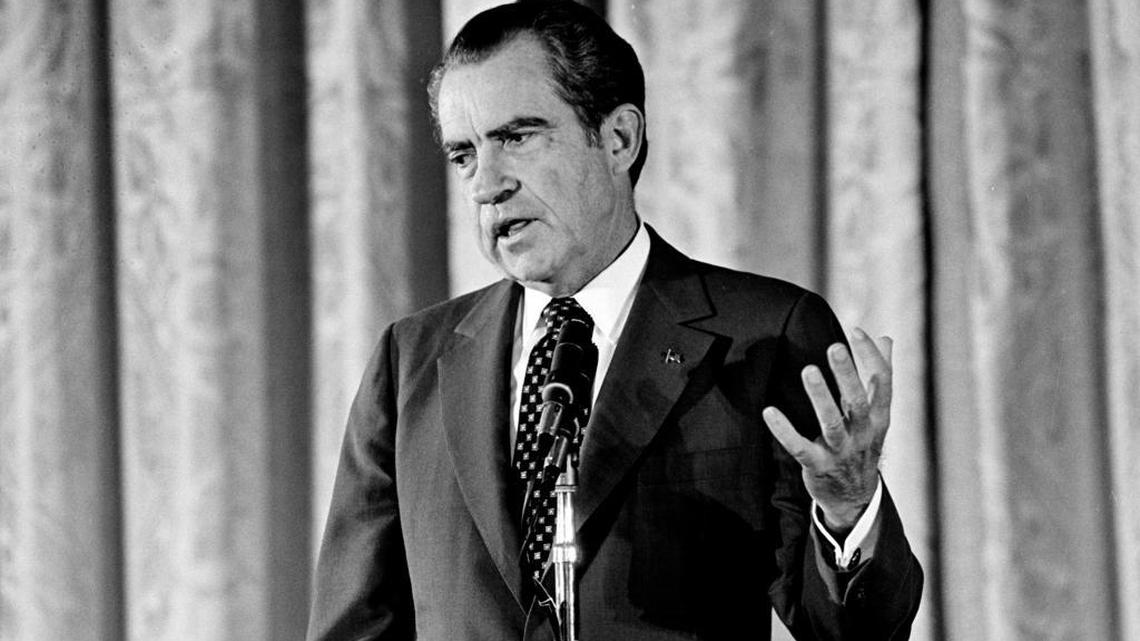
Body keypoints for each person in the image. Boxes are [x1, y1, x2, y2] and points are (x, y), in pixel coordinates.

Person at [306, 2, 923, 640]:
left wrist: (849, 508)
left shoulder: (768, 334)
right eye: (464, 154)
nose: (486, 185)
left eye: (517, 137)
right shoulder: (411, 360)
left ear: (618, 139)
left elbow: (855, 634)